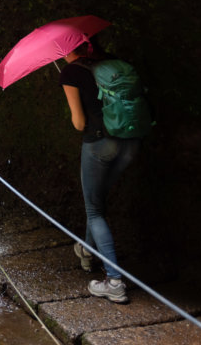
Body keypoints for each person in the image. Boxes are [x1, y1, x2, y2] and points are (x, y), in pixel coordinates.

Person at [59, 40, 139, 304]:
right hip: (130, 141)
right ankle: (85, 249)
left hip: (99, 144)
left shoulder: (70, 72)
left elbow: (79, 122)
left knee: (94, 210)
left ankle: (114, 281)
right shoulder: (111, 62)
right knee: (99, 203)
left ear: (68, 51)